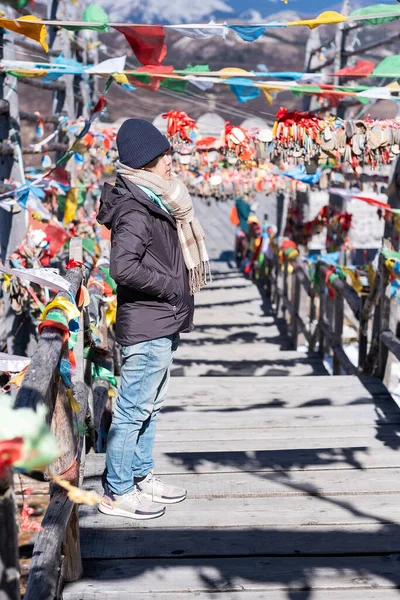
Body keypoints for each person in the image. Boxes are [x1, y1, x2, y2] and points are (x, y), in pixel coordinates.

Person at [97, 118, 210, 520]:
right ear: (146, 161)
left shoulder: (154, 199)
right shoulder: (135, 208)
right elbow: (122, 268)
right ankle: (117, 491)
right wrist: (170, 287)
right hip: (148, 320)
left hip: (160, 320)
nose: (170, 163)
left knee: (151, 405)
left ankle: (140, 475)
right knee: (133, 409)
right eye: (164, 157)